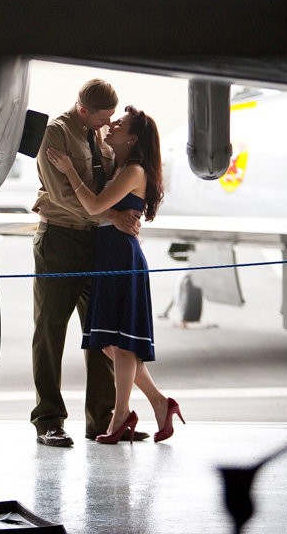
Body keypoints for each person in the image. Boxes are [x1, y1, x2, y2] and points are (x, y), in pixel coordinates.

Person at [46, 105, 185, 444]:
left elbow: (94, 207)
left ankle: (121, 416)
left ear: (132, 138)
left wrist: (68, 170)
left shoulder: (134, 170)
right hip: (110, 255)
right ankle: (159, 403)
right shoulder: (123, 166)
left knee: (119, 346)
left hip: (120, 256)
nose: (112, 126)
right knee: (110, 345)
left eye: (119, 125)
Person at [32, 79, 146, 447]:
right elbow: (61, 194)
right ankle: (48, 420)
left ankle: (101, 419)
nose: (107, 125)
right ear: (84, 110)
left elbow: (108, 183)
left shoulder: (100, 138)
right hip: (61, 240)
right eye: (103, 118)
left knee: (99, 334)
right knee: (51, 331)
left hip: (95, 244)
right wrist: (112, 216)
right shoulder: (55, 134)